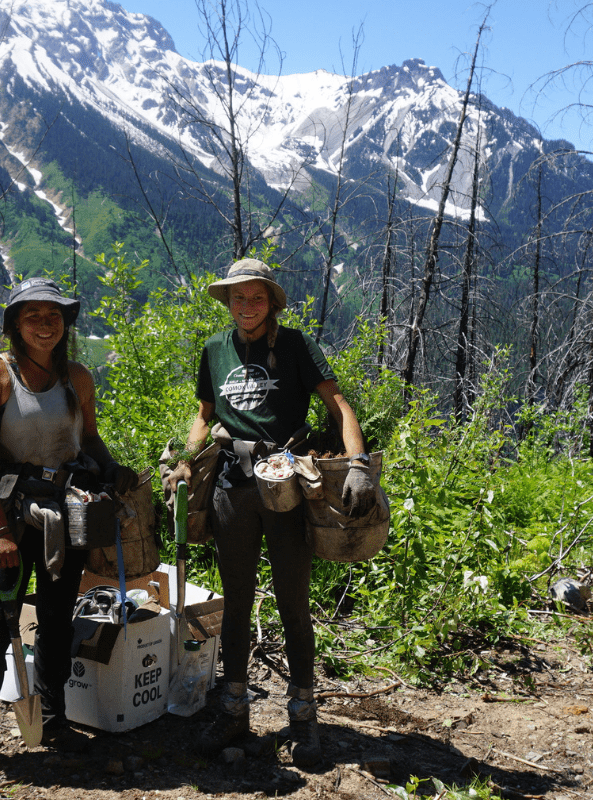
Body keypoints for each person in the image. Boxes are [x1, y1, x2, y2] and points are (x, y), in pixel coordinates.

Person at [169, 258, 375, 770]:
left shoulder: (296, 345)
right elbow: (204, 416)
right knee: (235, 602)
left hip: (286, 484)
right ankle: (234, 709)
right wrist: (181, 461)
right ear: (227, 302)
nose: (246, 306)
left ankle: (304, 716)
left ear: (271, 303)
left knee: (292, 601)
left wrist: (359, 463)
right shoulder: (215, 350)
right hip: (231, 486)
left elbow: (338, 404)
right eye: (237, 298)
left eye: (256, 298)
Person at [0, 277, 137, 780]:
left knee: (55, 622)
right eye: (33, 316)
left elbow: (88, 439)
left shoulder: (77, 377)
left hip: (67, 512)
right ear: (14, 325)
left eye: (54, 316)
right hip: (13, 515)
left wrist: (112, 470)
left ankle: (53, 721)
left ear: (65, 324)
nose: (45, 325)